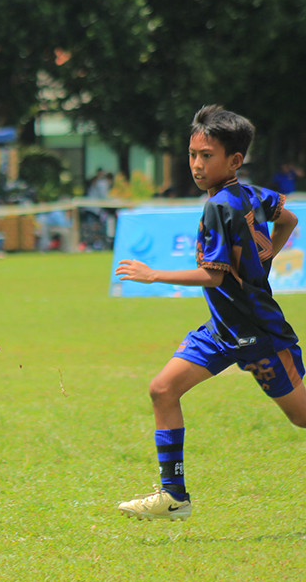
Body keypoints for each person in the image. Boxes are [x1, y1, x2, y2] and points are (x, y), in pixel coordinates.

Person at [115, 105, 306, 521]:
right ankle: (174, 497)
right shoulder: (250, 193)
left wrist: (154, 275)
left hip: (258, 331)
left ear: (233, 160)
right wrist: (272, 246)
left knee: (302, 417)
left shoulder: (219, 206)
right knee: (162, 390)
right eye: (193, 154)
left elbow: (213, 276)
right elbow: (288, 218)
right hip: (222, 329)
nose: (197, 165)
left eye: (207, 156)